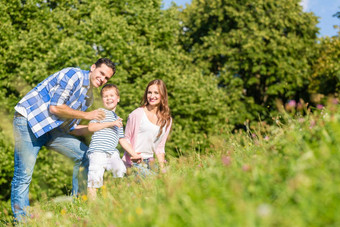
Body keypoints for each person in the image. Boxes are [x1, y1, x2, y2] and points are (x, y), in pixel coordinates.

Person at [11, 58, 115, 221]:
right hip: (29, 122)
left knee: (86, 155)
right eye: (101, 73)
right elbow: (55, 107)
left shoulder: (89, 98)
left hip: (51, 130)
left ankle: (79, 207)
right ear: (93, 67)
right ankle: (22, 221)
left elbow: (70, 128)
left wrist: (101, 128)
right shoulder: (73, 75)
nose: (102, 79)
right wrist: (88, 116)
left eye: (107, 78)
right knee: (23, 175)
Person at [87, 84, 142, 199]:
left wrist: (134, 154)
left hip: (112, 152)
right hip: (98, 151)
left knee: (121, 170)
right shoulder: (100, 112)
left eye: (111, 95)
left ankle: (116, 198)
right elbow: (91, 127)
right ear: (102, 100)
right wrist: (111, 124)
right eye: (105, 96)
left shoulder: (118, 119)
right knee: (94, 178)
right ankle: (92, 206)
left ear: (118, 98)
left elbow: (122, 140)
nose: (108, 98)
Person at [122, 79, 172, 176]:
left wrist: (162, 170)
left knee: (165, 182)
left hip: (151, 162)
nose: (152, 96)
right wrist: (134, 155)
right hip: (134, 162)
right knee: (153, 181)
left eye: (156, 93)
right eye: (149, 92)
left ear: (162, 95)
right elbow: (125, 139)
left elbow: (160, 148)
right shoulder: (136, 114)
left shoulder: (167, 120)